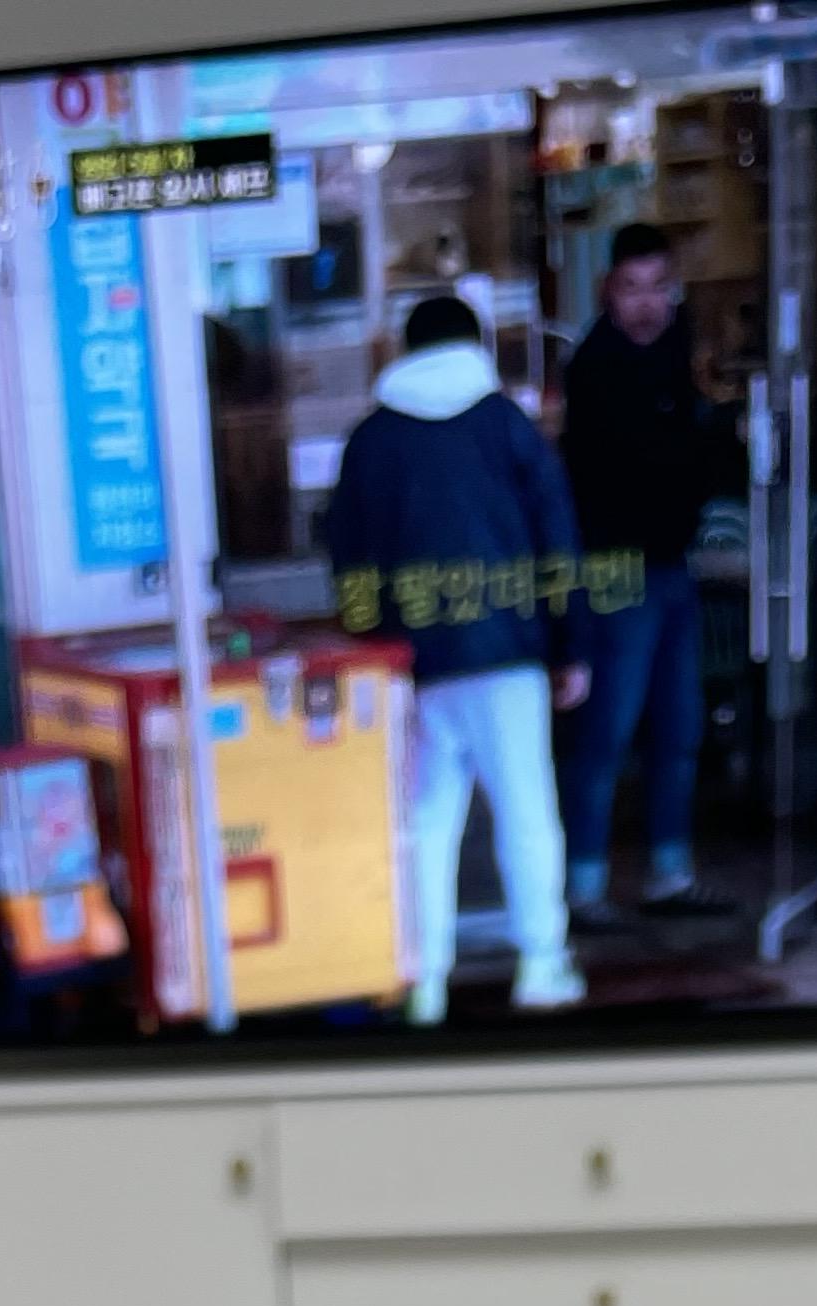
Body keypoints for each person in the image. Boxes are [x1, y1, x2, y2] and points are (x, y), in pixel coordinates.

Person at [325, 292, 589, 1022]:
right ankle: (540, 965)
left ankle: (426, 982)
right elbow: (557, 538)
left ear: (405, 350)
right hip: (509, 658)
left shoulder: (371, 438)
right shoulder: (508, 425)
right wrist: (571, 646)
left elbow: (348, 557)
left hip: (415, 666)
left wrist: (372, 650)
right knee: (527, 813)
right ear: (476, 346)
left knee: (425, 825)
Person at [556, 223, 730, 914]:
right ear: (608, 290)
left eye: (659, 287)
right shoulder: (597, 368)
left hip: (671, 564)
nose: (647, 304)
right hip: (616, 568)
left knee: (678, 728)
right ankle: (584, 886)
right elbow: (633, 467)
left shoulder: (681, 353)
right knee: (608, 732)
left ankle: (669, 873)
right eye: (632, 289)